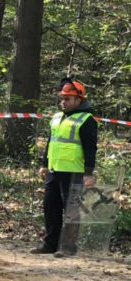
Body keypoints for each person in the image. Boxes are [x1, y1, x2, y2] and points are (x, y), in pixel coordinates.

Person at [30, 78, 98, 257]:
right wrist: (44, 164)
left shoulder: (86, 120)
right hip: (54, 169)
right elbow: (51, 142)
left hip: (74, 172)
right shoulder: (57, 117)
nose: (63, 102)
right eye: (62, 98)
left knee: (71, 210)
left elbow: (90, 148)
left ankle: (68, 247)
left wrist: (88, 173)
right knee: (50, 206)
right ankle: (50, 244)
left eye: (68, 99)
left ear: (79, 100)